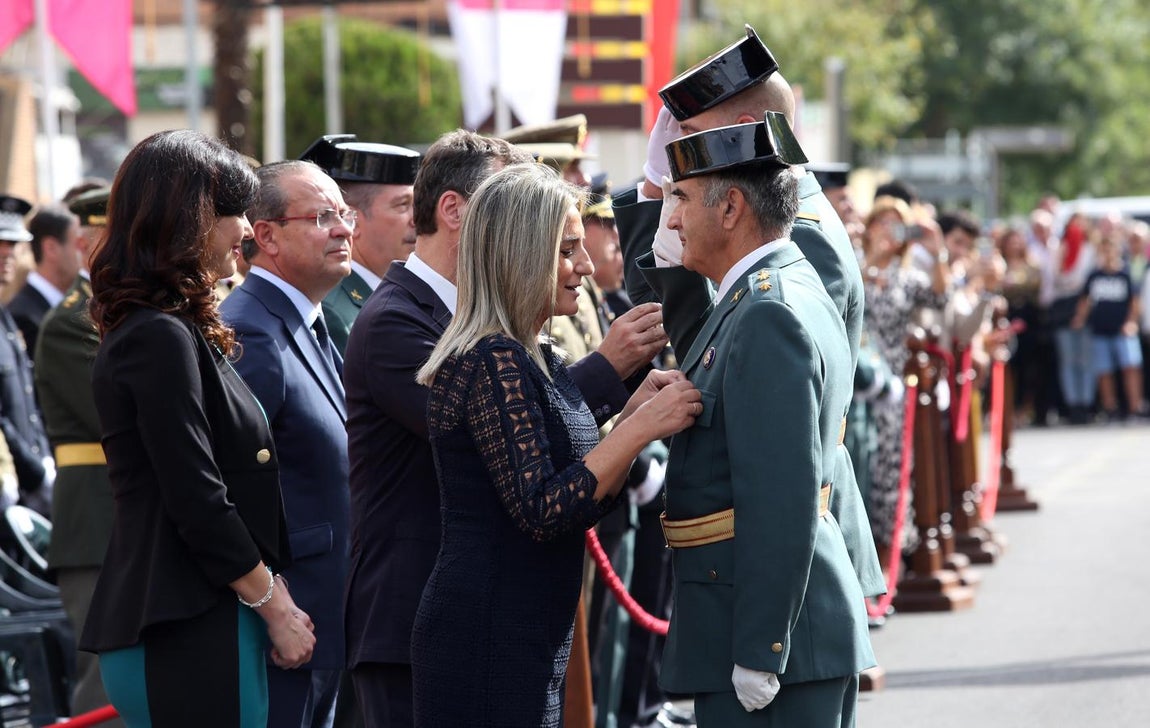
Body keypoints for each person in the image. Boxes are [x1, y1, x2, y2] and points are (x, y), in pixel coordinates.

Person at [342, 129, 667, 728]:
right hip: (440, 619)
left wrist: (630, 402)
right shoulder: (411, 326)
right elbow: (528, 476)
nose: (586, 267)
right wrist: (630, 416)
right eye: (566, 249)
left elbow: (546, 437)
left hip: (512, 617)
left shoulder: (517, 343)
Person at [409, 162, 699, 728]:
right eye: (569, 251)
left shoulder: (530, 353)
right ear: (523, 254)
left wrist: (636, 412)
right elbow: (544, 509)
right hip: (487, 634)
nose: (587, 266)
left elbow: (584, 491)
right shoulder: (494, 359)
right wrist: (640, 428)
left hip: (524, 627)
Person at [614, 27, 884, 604]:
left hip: (779, 539)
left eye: (690, 138)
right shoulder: (773, 213)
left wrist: (669, 214)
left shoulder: (802, 235)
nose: (677, 154)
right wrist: (657, 192)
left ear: (742, 141)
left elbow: (716, 365)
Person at [80, 129, 315, 727]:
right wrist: (275, 606)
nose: (244, 228)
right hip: (182, 622)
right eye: (232, 211)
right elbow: (197, 495)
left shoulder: (169, 329)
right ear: (187, 219)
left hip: (204, 615)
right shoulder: (157, 335)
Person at [654, 118, 873, 726]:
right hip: (765, 621)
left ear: (730, 208)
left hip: (769, 635)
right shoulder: (770, 291)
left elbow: (781, 494)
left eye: (680, 199)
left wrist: (761, 647)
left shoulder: (767, 311)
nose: (671, 219)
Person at [220, 160, 354, 728]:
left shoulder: (306, 321)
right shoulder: (250, 327)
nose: (344, 229)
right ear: (266, 235)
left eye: (344, 214)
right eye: (322, 217)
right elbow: (227, 486)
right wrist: (273, 604)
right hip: (286, 621)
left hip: (324, 613)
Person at [33, 186, 123, 727]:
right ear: (91, 242)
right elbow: (114, 417)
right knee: (104, 680)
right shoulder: (73, 321)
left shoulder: (119, 311)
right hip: (97, 524)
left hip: (124, 520)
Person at [859, 196, 949, 567]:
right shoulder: (852, 266)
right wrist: (867, 267)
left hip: (892, 388)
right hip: (853, 386)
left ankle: (886, 565)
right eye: (882, 222)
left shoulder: (907, 278)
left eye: (897, 225)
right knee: (857, 470)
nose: (888, 231)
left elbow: (941, 299)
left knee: (890, 475)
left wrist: (936, 250)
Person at [301, 134, 422, 355]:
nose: (417, 219)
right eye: (402, 205)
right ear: (352, 220)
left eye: (416, 205)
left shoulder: (397, 296)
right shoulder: (335, 311)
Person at [0, 193, 53, 515]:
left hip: (24, 489)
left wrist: (43, 458)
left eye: (13, 243)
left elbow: (28, 400)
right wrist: (35, 471)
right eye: (0, 242)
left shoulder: (5, 316)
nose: (7, 252)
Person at [1071, 233, 1145, 420]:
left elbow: (1135, 302)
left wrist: (1131, 322)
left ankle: (1134, 407)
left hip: (1122, 330)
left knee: (1130, 367)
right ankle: (1110, 407)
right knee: (1104, 370)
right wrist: (1080, 318)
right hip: (1100, 330)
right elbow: (1085, 300)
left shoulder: (1125, 273)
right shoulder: (1094, 275)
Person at [11, 204, 82, 357]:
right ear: (51, 248)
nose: (84, 251)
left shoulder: (72, 305)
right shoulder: (24, 316)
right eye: (78, 243)